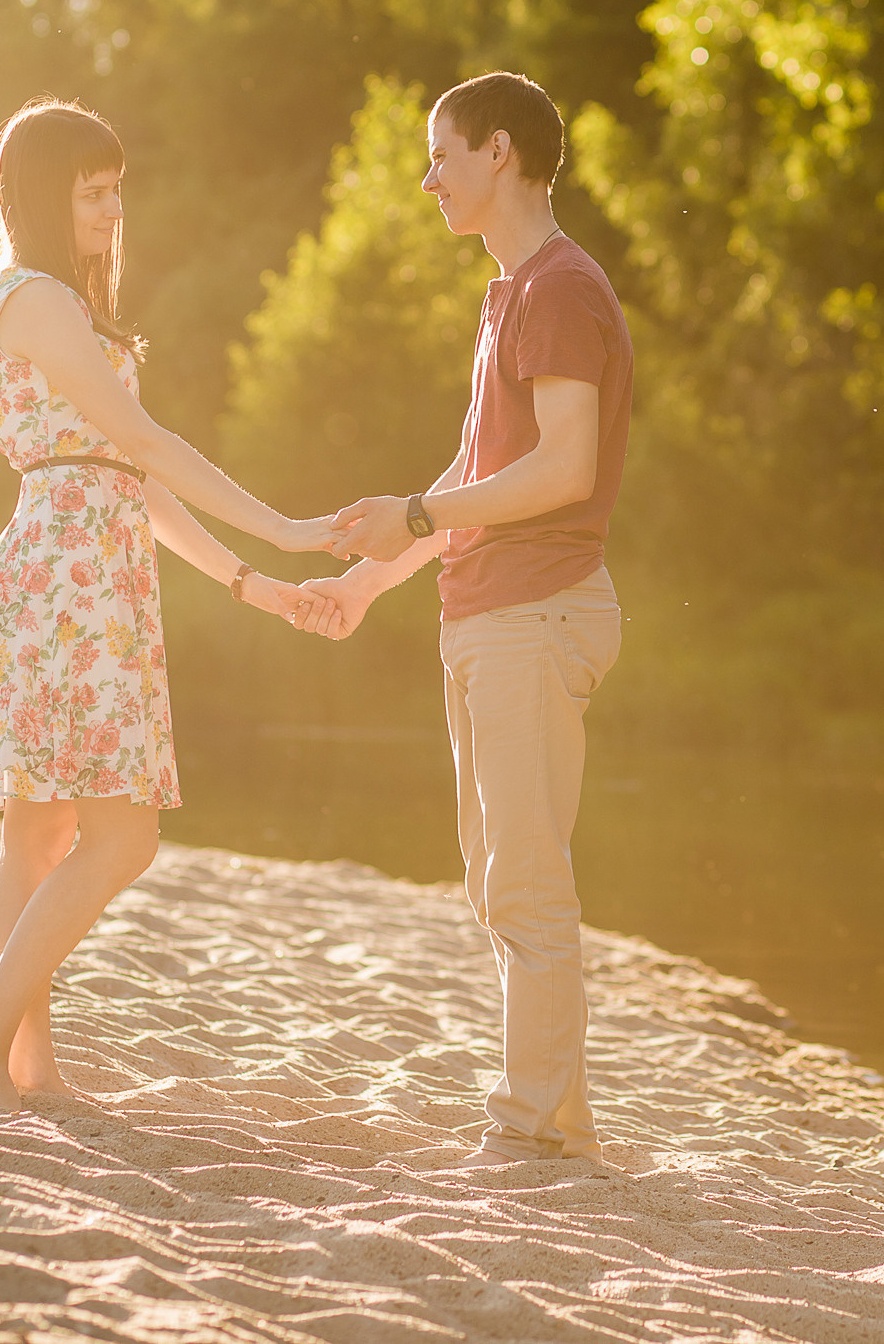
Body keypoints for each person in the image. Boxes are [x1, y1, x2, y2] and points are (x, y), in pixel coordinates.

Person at [0, 98, 338, 1114]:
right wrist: (285, 528)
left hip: (88, 563)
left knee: (36, 838)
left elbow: (135, 483)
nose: (114, 211)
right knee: (121, 838)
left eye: (117, 191)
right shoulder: (33, 298)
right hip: (67, 574)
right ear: (42, 195)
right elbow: (146, 444)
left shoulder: (67, 306)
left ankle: (28, 1064)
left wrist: (255, 584)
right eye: (92, 193)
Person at [298, 72, 633, 1163]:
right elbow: (477, 471)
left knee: (524, 880)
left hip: (535, 615)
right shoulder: (508, 296)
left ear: (500, 152)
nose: (427, 175)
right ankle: (560, 1119)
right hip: (487, 613)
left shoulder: (560, 289)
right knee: (500, 879)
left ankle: (531, 1126)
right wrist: (372, 576)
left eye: (442, 153)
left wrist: (415, 513)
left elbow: (565, 467)